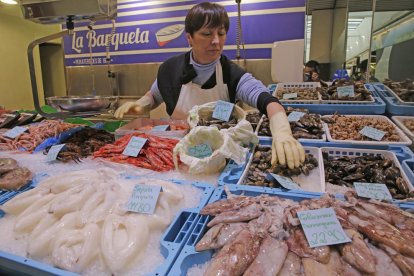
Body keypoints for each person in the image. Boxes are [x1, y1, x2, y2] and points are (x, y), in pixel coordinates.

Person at [114, 2, 305, 169]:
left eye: (221, 33)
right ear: (189, 37)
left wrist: (282, 131)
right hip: (176, 154)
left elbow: (267, 100)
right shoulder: (170, 69)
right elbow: (155, 94)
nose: (216, 41)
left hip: (218, 156)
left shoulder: (231, 73)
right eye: (207, 34)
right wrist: (141, 104)